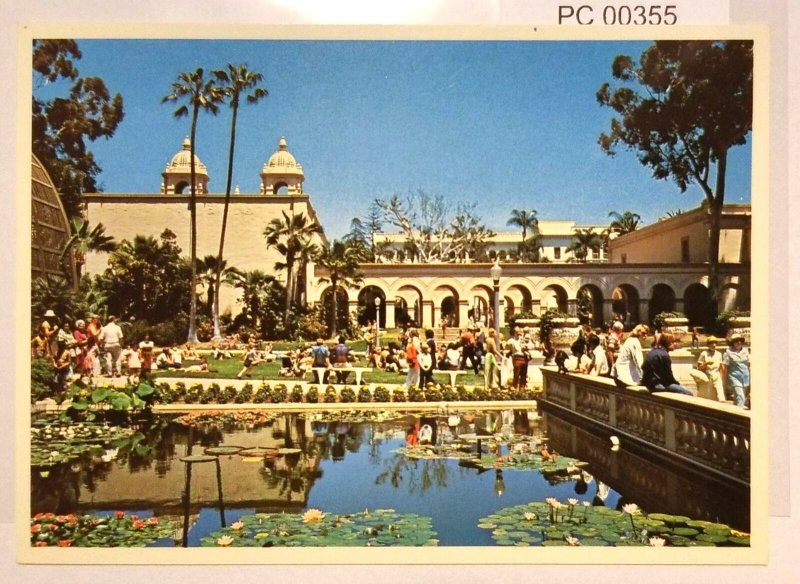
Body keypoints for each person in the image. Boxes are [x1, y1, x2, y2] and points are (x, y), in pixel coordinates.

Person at [611, 324, 649, 388]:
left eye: (647, 334)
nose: (645, 336)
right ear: (637, 332)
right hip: (624, 378)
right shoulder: (635, 342)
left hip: (617, 376)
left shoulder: (629, 340)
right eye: (643, 333)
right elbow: (639, 361)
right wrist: (645, 377)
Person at [721, 333, 750, 409]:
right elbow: (725, 366)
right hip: (734, 377)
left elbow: (749, 364)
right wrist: (724, 380)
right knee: (740, 396)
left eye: (740, 341)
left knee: (739, 397)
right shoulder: (728, 352)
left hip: (745, 377)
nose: (738, 342)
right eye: (736, 341)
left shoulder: (746, 351)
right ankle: (740, 414)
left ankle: (733, 414)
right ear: (733, 343)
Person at [694, 336, 725, 401]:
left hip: (717, 376)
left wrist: (721, 378)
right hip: (707, 376)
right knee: (709, 397)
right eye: (711, 343)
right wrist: (706, 363)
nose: (713, 345)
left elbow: (720, 367)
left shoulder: (719, 354)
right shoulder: (704, 354)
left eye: (715, 343)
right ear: (708, 345)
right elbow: (699, 368)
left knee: (721, 396)